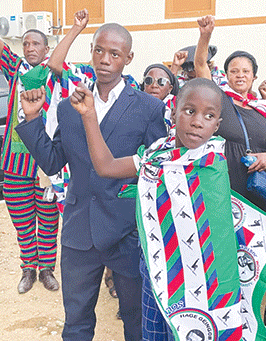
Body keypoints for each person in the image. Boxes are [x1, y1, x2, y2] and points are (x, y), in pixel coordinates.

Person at [51, 77, 242, 340]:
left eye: (209, 116)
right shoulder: (156, 156)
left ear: (218, 125)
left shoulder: (214, 163)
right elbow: (106, 166)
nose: (198, 121)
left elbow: (223, 239)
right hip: (156, 273)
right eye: (190, 111)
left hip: (203, 287)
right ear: (174, 112)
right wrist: (89, 116)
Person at [15, 23, 167, 341]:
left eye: (114, 53)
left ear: (128, 58)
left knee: (136, 322)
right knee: (76, 325)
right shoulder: (69, 107)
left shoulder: (148, 108)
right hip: (78, 234)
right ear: (92, 53)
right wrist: (31, 119)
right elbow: (53, 161)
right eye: (99, 50)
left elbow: (155, 173)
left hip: (127, 236)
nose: (105, 58)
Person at [0, 27, 64, 294]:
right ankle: (28, 267)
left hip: (46, 161)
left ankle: (47, 268)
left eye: (36, 43)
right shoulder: (15, 68)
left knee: (48, 218)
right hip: (15, 162)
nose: (29, 48)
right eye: (25, 44)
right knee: (22, 218)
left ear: (46, 49)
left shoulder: (56, 72)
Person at [194, 15, 266, 212]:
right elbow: (200, 66)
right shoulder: (220, 99)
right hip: (226, 188)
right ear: (226, 76)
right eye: (234, 71)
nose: (240, 75)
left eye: (246, 71)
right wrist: (205, 36)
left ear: (254, 77)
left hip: (260, 189)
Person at [140, 63, 179, 128]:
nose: (154, 85)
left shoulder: (177, 108)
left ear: (170, 88)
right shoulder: (134, 104)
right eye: (149, 80)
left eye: (161, 81)